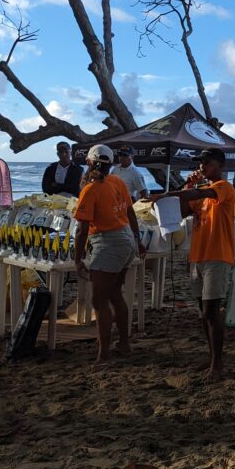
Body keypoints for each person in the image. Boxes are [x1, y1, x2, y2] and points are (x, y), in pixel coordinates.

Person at [149, 147, 235, 383]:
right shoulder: (201, 194)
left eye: (206, 163)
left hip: (217, 255)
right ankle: (211, 358)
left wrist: (169, 193)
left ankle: (218, 364)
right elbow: (183, 209)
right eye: (201, 163)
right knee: (203, 311)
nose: (202, 167)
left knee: (211, 309)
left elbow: (195, 195)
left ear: (219, 165)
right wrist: (185, 187)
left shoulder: (223, 188)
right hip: (198, 256)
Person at [73, 144, 145, 367]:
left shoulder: (91, 189)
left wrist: (77, 259)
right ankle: (124, 343)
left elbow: (82, 229)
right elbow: (130, 211)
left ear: (90, 163)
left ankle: (104, 354)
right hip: (126, 239)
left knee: (99, 299)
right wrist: (138, 239)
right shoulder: (118, 181)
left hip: (109, 242)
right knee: (115, 294)